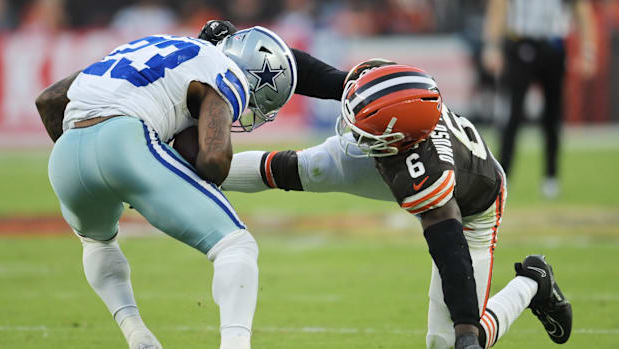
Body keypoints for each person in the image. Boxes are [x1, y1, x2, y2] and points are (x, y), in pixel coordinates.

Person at [217, 62, 573, 349]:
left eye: (364, 129)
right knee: (309, 165)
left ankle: (532, 283)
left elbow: (451, 255)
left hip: (473, 209)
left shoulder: (426, 176)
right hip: (400, 156)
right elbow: (311, 73)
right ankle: (197, 168)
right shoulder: (389, 89)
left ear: (395, 140)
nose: (351, 131)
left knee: (448, 342)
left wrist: (467, 331)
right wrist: (248, 58)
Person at [35, 26, 298, 349]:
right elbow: (214, 160)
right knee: (236, 246)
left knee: (98, 243)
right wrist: (154, 169)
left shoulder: (153, 43)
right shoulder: (229, 71)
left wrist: (93, 164)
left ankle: (137, 335)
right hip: (125, 143)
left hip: (65, 156)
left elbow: (48, 100)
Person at [482, 0, 597, 198]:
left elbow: (581, 8)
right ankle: (503, 175)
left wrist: (588, 51)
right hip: (520, 42)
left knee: (553, 115)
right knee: (512, 115)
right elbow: (498, 5)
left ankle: (551, 177)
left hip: (553, 44)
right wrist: (491, 46)